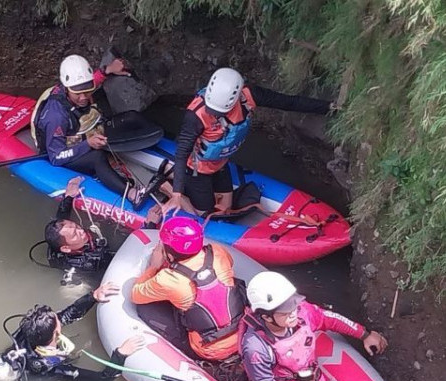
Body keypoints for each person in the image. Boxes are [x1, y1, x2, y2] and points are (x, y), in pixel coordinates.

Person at [162, 67, 337, 215]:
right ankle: (168, 185)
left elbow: (288, 102)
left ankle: (175, 180)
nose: (212, 113)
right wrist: (177, 194)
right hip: (196, 169)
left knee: (225, 208)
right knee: (205, 213)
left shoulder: (249, 96)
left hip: (219, 164)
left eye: (218, 112)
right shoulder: (195, 116)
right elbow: (182, 153)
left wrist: (328, 107)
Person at [240, 271, 388, 381]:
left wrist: (365, 334)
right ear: (266, 316)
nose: (294, 313)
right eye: (285, 312)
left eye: (294, 306)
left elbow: (331, 319)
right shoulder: (255, 347)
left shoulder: (303, 314)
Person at [31, 54, 149, 207]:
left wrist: (108, 70)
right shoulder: (56, 116)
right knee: (97, 157)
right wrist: (88, 145)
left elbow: (90, 82)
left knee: (132, 117)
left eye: (87, 91)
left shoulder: (79, 86)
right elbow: (55, 157)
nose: (83, 97)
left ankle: (166, 156)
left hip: (85, 132)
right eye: (78, 94)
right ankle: (132, 194)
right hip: (63, 150)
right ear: (67, 89)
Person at [130, 216, 247, 362]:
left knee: (145, 309)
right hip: (243, 332)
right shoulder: (218, 252)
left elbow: (135, 294)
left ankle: (193, 358)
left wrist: (154, 266)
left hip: (208, 349)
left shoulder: (167, 279)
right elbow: (230, 263)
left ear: (170, 256)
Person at [0, 281, 145, 381]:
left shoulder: (28, 330)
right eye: (58, 321)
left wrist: (93, 297)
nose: (60, 318)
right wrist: (121, 353)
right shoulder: (50, 368)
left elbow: (65, 316)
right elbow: (104, 379)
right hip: (34, 380)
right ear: (56, 331)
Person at [39, 176, 163, 283]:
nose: (81, 231)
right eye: (75, 234)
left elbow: (61, 218)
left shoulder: (61, 236)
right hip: (99, 272)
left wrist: (68, 197)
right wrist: (149, 225)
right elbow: (130, 255)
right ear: (66, 248)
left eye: (76, 226)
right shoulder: (92, 261)